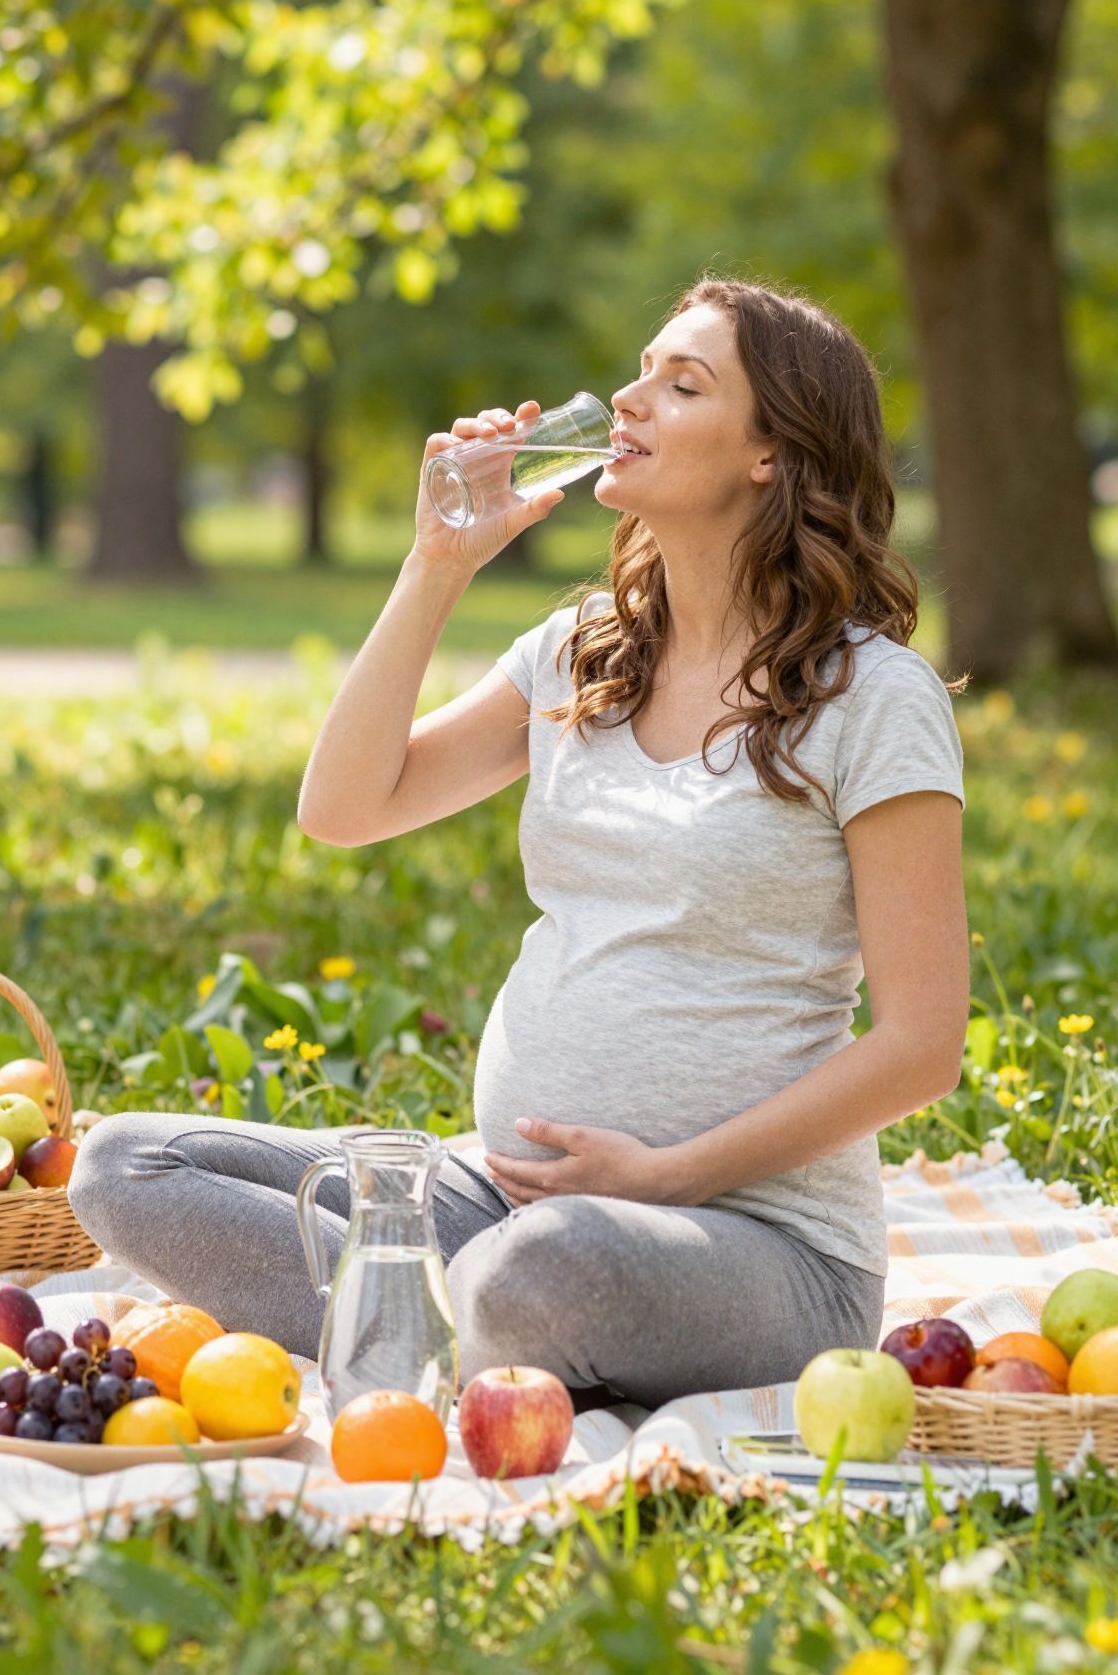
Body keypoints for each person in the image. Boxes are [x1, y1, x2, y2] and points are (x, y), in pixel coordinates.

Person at [70, 275, 969, 1414]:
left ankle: (417, 1317)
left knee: (541, 1272)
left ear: (771, 456)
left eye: (681, 383)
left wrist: (666, 1174)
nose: (628, 400)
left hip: (749, 1240)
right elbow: (345, 806)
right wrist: (436, 563)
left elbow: (924, 1043)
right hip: (499, 1191)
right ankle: (443, 1318)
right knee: (126, 1167)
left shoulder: (871, 697)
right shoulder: (581, 653)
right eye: (641, 367)